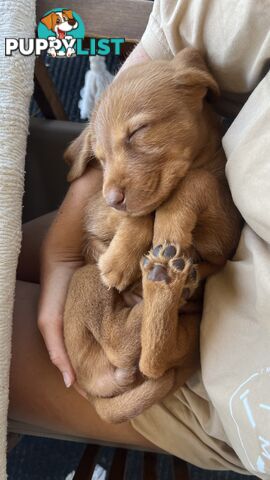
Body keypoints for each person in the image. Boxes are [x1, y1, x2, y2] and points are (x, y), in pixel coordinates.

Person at [10, 0, 270, 477]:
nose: (111, 184)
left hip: (214, 380)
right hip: (129, 256)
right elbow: (187, 29)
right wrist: (65, 246)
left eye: (137, 137)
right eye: (105, 158)